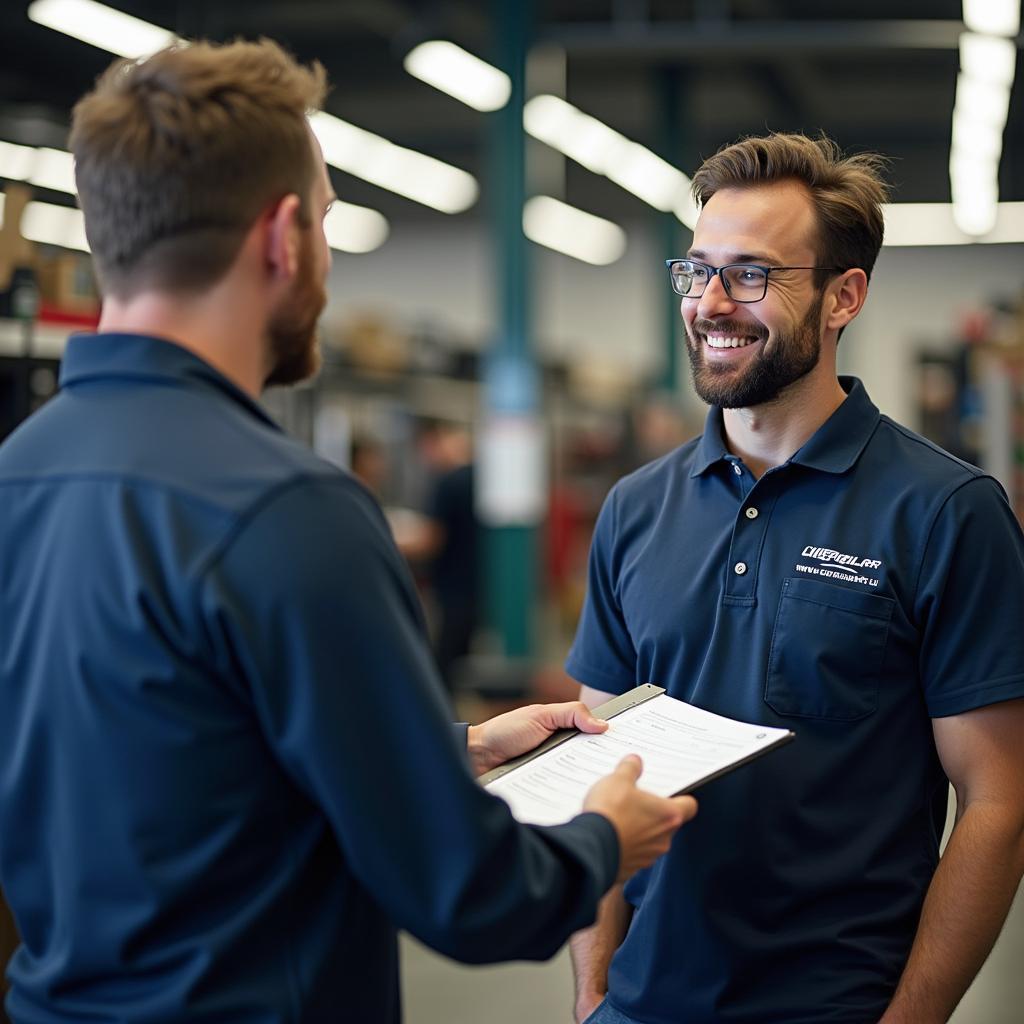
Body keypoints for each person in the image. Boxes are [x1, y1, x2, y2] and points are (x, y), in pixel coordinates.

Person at [0, 40, 698, 1024]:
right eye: (327, 220)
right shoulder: (288, 510)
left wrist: (444, 749)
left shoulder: (17, 476)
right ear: (284, 235)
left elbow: (168, 759)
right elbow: (469, 894)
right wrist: (599, 837)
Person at [567, 132, 1024, 1024]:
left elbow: (998, 805)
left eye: (752, 275)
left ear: (843, 295)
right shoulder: (633, 509)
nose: (710, 303)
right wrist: (592, 992)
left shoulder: (945, 512)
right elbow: (600, 765)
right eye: (696, 271)